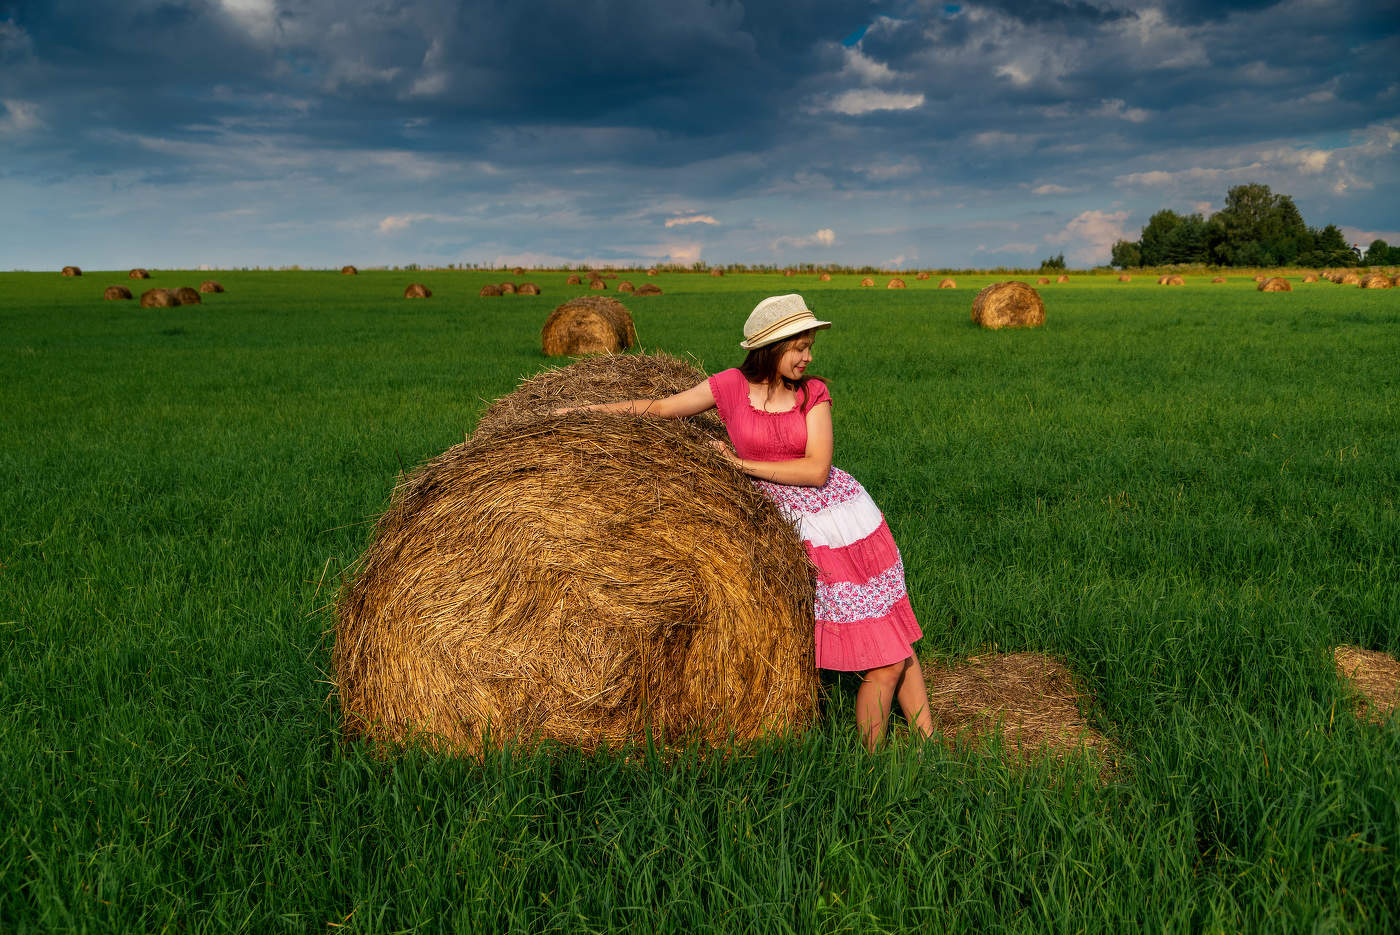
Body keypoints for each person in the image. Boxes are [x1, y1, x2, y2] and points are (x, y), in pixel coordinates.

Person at [565, 294, 933, 750]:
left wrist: (743, 466)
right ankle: (880, 762)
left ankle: (925, 747)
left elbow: (817, 469)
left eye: (809, 345)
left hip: (840, 519)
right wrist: (580, 415)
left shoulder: (813, 393)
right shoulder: (730, 387)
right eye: (799, 347)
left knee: (889, 631)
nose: (808, 356)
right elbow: (661, 408)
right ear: (772, 348)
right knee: (869, 640)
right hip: (779, 520)